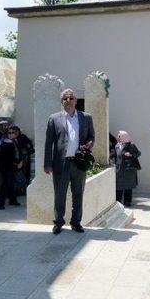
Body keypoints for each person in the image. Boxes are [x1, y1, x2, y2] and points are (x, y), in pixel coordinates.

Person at [44, 89, 95, 235]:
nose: (68, 100)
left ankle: (76, 222)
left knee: (78, 194)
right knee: (59, 194)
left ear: (76, 101)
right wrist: (47, 163)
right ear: (62, 101)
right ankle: (58, 222)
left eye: (71, 98)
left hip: (79, 163)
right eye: (65, 98)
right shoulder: (54, 118)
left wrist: (89, 144)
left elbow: (92, 136)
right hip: (61, 163)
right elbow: (49, 142)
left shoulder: (86, 117)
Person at [114, 130, 141, 206]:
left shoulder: (131, 145)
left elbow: (138, 153)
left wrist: (131, 154)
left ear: (123, 137)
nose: (118, 137)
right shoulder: (117, 146)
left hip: (128, 170)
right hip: (119, 169)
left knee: (128, 186)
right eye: (118, 136)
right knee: (118, 186)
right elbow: (117, 157)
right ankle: (118, 202)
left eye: (119, 136)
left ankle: (127, 202)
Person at [0, 127, 21, 209]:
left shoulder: (14, 142)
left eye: (13, 132)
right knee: (5, 185)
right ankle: (1, 203)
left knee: (11, 184)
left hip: (12, 167)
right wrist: (16, 163)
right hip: (6, 167)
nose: (11, 134)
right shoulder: (5, 143)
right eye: (9, 133)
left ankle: (12, 200)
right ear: (6, 134)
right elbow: (6, 158)